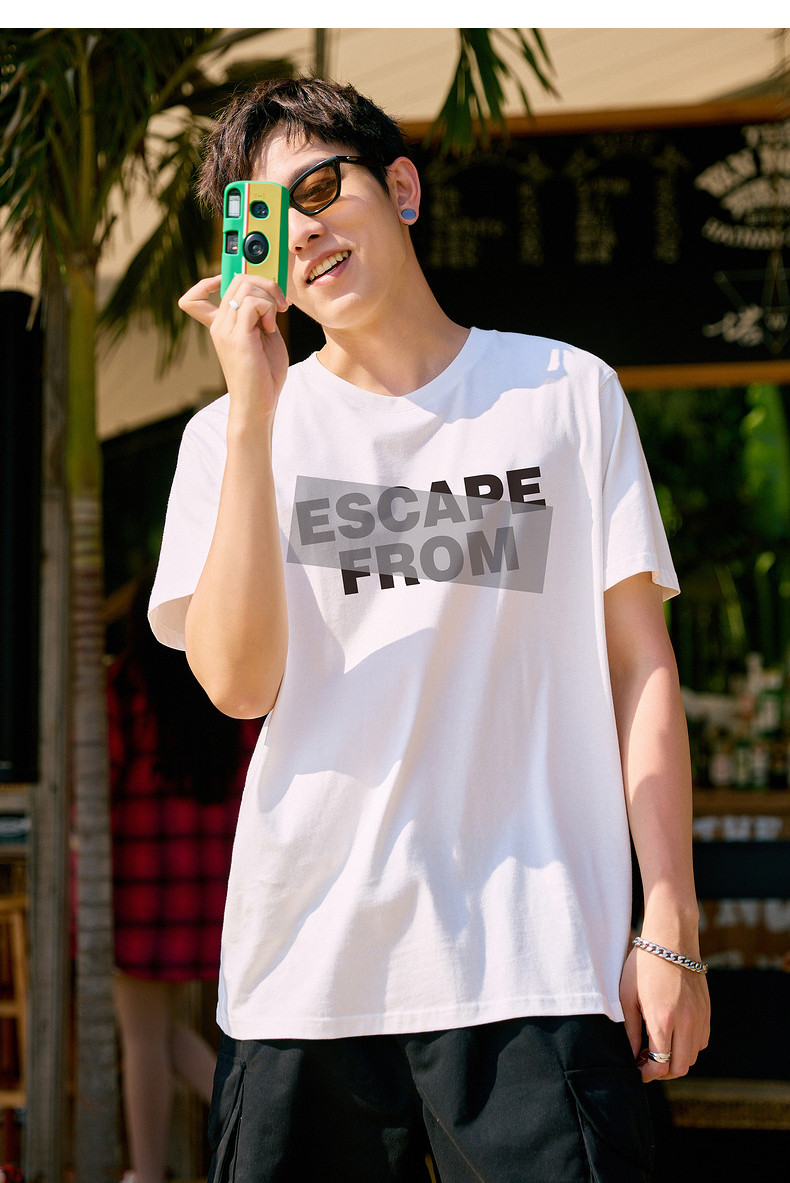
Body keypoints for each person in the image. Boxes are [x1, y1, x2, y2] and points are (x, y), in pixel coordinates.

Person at [149, 76, 710, 1182]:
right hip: (305, 971)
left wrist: (671, 923)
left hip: (536, 960)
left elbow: (640, 667)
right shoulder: (225, 436)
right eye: (268, 214)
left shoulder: (564, 391)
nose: (305, 228)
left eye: (323, 186)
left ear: (400, 188)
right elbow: (239, 685)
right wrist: (256, 409)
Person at [109, 570, 260, 1183]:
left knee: (143, 1036)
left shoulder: (127, 688)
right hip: (213, 887)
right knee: (162, 1033)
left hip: (139, 884)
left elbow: (102, 779)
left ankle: (148, 1174)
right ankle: (249, 1122)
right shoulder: (223, 683)